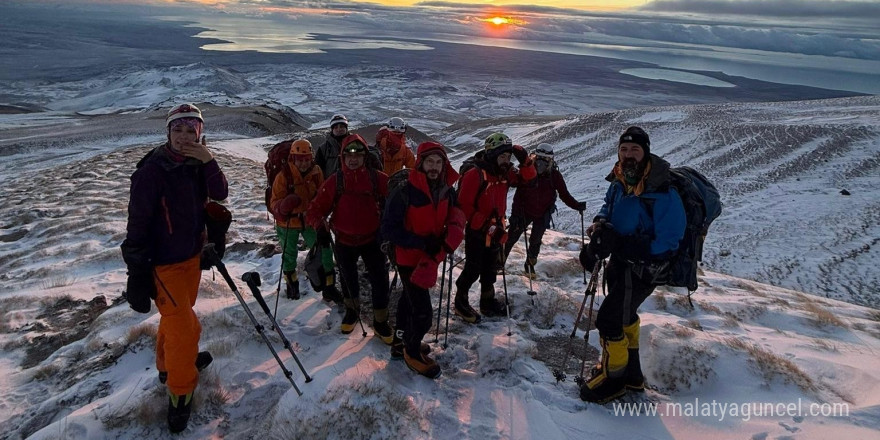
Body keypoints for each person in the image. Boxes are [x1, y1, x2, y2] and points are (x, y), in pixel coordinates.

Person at [121, 103, 228, 433]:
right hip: (163, 265)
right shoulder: (150, 172)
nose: (183, 137)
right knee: (183, 329)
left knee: (179, 317)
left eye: (190, 130)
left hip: (192, 258)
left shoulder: (196, 164)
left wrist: (208, 159)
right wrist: (137, 274)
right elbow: (137, 224)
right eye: (177, 130)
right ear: (168, 132)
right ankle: (180, 395)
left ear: (199, 133)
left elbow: (220, 193)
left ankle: (167, 367)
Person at [578, 126, 686, 404]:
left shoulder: (663, 191)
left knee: (609, 319)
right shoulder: (619, 181)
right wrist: (601, 228)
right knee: (624, 317)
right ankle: (632, 374)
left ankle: (613, 380)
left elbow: (670, 240)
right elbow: (608, 207)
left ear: (645, 152)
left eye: (634, 149)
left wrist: (626, 245)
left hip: (644, 269)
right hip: (621, 263)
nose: (628, 155)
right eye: (624, 149)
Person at [381, 141, 465, 378]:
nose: (434, 167)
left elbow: (456, 215)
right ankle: (411, 350)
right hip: (409, 259)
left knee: (408, 303)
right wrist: (421, 242)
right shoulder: (405, 192)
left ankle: (402, 343)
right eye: (430, 162)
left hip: (430, 258)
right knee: (423, 313)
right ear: (420, 163)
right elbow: (389, 229)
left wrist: (447, 238)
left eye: (439, 162)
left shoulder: (446, 190)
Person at [306, 134, 393, 343]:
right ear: (342, 157)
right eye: (348, 155)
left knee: (380, 279)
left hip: (373, 238)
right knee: (348, 278)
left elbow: (396, 198)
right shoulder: (335, 181)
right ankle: (352, 312)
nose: (353, 159)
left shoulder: (377, 178)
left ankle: (381, 321)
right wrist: (320, 226)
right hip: (344, 240)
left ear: (365, 156)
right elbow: (315, 209)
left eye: (358, 154)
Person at [453, 132, 536, 323]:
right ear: (491, 155)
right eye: (502, 156)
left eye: (508, 157)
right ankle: (460, 302)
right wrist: (485, 226)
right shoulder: (475, 174)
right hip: (478, 230)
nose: (506, 161)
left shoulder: (505, 173)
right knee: (473, 268)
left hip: (497, 228)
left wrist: (526, 161)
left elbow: (528, 181)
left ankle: (487, 301)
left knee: (491, 268)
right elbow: (463, 205)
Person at [269, 139, 338, 301]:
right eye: (300, 160)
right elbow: (274, 203)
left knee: (325, 251)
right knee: (289, 255)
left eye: (307, 159)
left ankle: (329, 287)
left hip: (309, 220)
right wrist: (283, 206)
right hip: (287, 223)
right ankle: (292, 286)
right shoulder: (283, 175)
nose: (304, 163)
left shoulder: (317, 172)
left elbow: (322, 195)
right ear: (293, 158)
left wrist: (322, 216)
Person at [504, 143, 586, 278]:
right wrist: (515, 215)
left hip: (542, 213)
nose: (541, 162)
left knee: (535, 241)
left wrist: (577, 205)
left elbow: (564, 194)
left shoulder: (554, 176)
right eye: (539, 158)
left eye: (545, 159)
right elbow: (515, 186)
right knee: (511, 237)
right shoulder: (527, 171)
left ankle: (529, 265)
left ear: (551, 161)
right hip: (523, 211)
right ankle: (499, 263)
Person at [314, 113, 382, 177]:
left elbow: (369, 151)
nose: (339, 129)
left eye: (342, 126)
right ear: (332, 130)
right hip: (331, 184)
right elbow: (317, 170)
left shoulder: (356, 143)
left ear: (346, 128)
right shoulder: (324, 149)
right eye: (335, 127)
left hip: (352, 181)